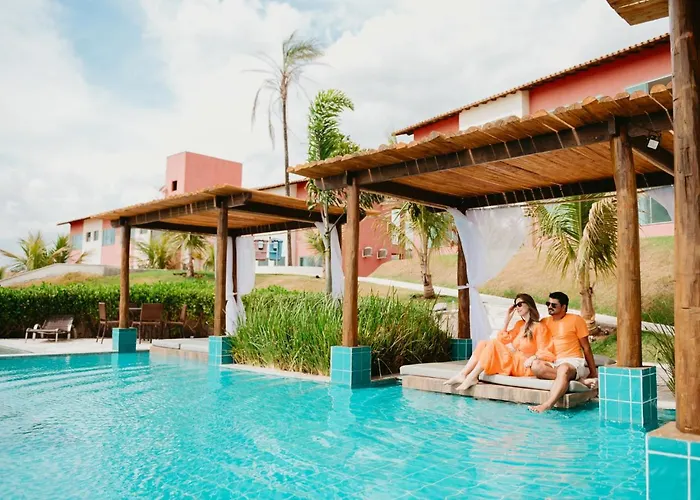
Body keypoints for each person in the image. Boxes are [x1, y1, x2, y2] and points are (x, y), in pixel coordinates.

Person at [444, 293, 555, 391]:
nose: (517, 308)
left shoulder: (539, 327)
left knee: (493, 343)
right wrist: (507, 320)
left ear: (529, 305)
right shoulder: (519, 325)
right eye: (515, 305)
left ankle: (472, 377)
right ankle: (463, 374)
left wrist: (533, 358)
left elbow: (546, 351)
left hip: (524, 366)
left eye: (520, 304)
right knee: (483, 343)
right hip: (514, 360)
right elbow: (502, 339)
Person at [528, 291, 598, 413]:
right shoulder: (544, 322)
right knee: (535, 366)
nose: (549, 307)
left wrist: (593, 372)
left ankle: (547, 404)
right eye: (548, 304)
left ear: (564, 307)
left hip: (572, 361)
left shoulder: (576, 320)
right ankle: (580, 381)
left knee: (563, 368)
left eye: (554, 305)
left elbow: (586, 348)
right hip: (553, 362)